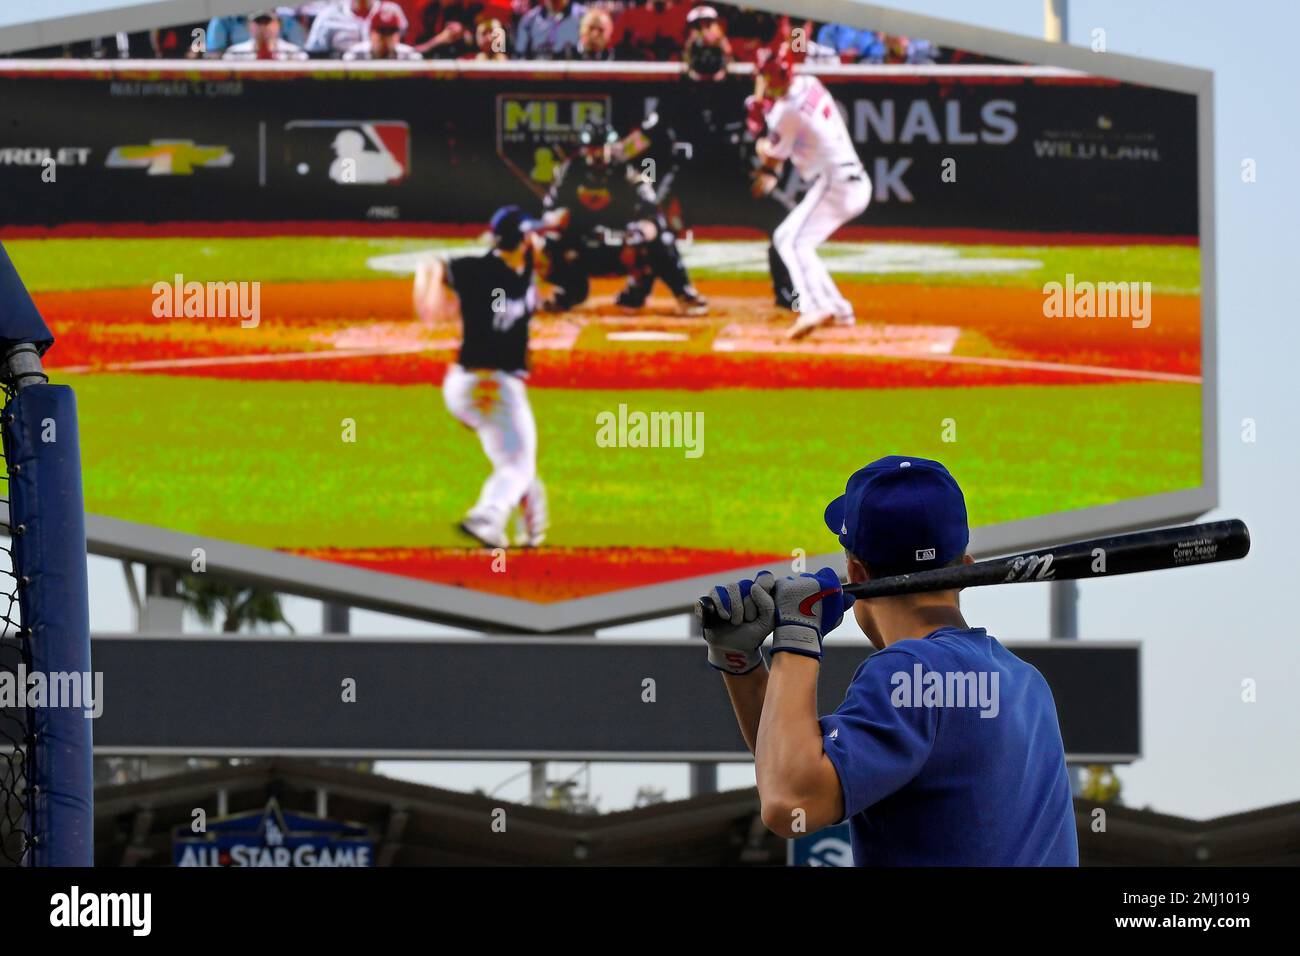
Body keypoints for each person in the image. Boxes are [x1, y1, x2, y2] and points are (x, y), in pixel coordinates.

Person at [701, 455, 1079, 867]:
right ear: (966, 569)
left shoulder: (910, 672)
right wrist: (741, 664)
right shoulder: (1026, 683)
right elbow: (788, 766)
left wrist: (797, 634)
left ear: (856, 573)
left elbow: (791, 802)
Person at [412, 206, 549, 549]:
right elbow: (432, 265)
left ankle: (533, 533)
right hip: (492, 385)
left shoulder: (522, 270)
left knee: (515, 460)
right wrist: (429, 299)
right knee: (518, 466)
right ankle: (486, 518)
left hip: (468, 386)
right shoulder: (483, 270)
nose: (536, 239)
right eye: (531, 234)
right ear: (521, 238)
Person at [751, 41, 870, 339]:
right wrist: (768, 114)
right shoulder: (808, 82)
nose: (765, 82)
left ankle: (813, 307)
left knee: (792, 243)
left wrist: (759, 135)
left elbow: (772, 160)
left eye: (768, 77)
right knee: (790, 239)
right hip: (849, 179)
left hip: (836, 183)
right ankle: (839, 309)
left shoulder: (784, 114)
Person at [539, 119, 707, 316]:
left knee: (661, 238)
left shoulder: (627, 169)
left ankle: (664, 290)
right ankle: (570, 291)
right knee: (542, 245)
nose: (598, 153)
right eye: (593, 148)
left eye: (602, 147)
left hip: (620, 241)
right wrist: (557, 218)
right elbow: (549, 213)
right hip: (581, 241)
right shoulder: (571, 170)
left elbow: (651, 212)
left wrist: (643, 229)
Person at [306, 0, 398, 56]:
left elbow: (406, 52)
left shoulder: (392, 11)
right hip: (341, 80)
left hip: (385, 78)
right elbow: (313, 57)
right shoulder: (328, 15)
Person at [343, 4, 424, 58]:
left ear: (398, 34)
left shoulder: (409, 56)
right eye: (381, 31)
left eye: (391, 31)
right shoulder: (356, 54)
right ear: (371, 33)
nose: (386, 37)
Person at [222, 10, 309, 60]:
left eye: (267, 21)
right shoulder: (234, 53)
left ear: (278, 24)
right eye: (258, 22)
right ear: (248, 25)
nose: (263, 26)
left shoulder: (294, 53)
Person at [515, 0, 587, 60]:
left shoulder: (584, 16)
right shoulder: (529, 20)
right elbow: (520, 55)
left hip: (573, 72)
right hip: (539, 72)